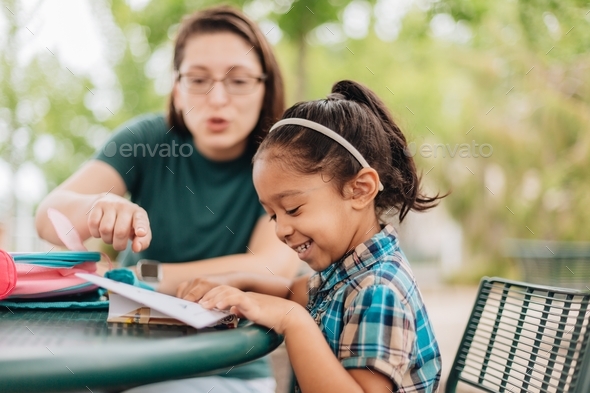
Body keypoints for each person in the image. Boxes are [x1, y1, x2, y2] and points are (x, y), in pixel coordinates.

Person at [35, 6, 299, 393]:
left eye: (239, 80)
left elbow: (271, 270)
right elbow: (48, 216)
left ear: (265, 88)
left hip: (224, 369)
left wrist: (133, 279)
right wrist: (94, 209)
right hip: (119, 355)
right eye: (198, 79)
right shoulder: (146, 140)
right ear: (177, 88)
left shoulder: (284, 161)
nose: (218, 97)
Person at [178, 80, 444, 392]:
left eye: (293, 208)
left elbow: (293, 307)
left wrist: (293, 320)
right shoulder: (346, 269)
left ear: (359, 190)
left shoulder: (378, 291)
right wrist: (238, 284)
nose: (280, 230)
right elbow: (292, 291)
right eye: (273, 215)